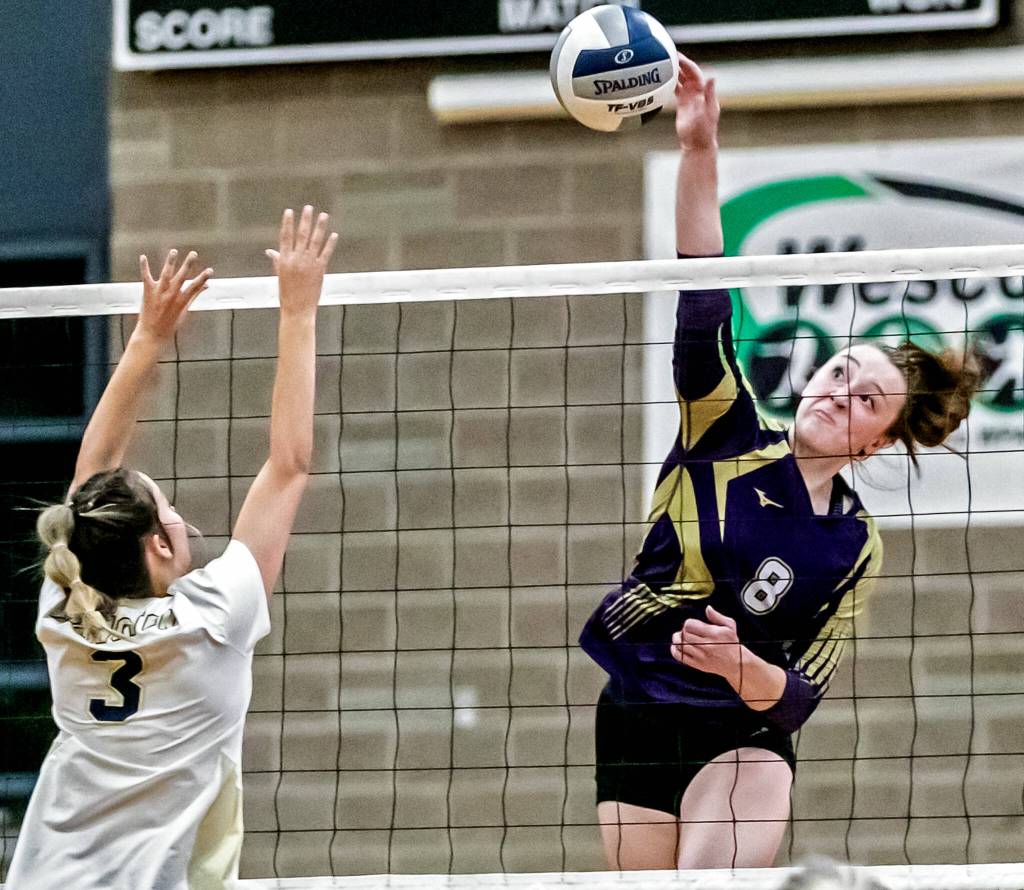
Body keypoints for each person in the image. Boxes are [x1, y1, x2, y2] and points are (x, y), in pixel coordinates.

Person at [579, 56, 980, 871]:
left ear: (874, 444)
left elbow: (799, 700)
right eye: (840, 372)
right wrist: (699, 152)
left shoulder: (853, 546)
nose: (840, 394)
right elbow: (702, 299)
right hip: (637, 712)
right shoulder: (726, 432)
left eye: (867, 400)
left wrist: (738, 663)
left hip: (743, 734)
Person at [6, 206, 338, 890]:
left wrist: (148, 338)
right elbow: (289, 465)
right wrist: (298, 312)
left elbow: (87, 476)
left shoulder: (67, 611)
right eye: (172, 510)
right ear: (159, 545)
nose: (183, 518)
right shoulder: (214, 616)